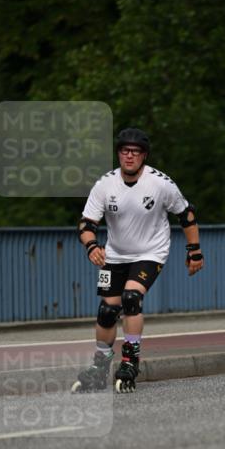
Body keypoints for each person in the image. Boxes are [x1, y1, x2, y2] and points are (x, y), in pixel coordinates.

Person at [72, 127, 204, 393]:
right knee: (107, 311)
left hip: (150, 252)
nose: (129, 156)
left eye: (135, 151)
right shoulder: (105, 184)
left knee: (131, 298)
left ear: (144, 156)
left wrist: (194, 251)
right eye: (124, 151)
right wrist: (91, 246)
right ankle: (100, 367)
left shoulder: (160, 183)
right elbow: (86, 224)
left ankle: (130, 362)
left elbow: (186, 215)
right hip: (115, 254)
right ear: (118, 154)